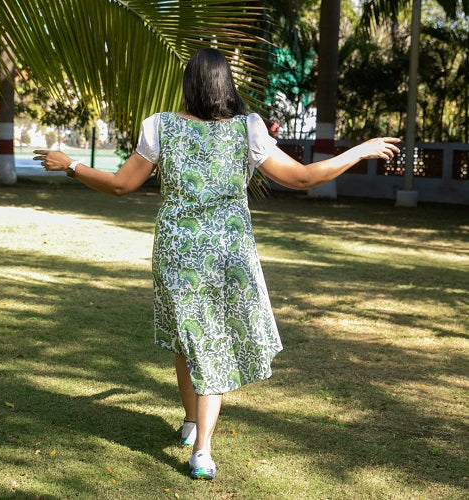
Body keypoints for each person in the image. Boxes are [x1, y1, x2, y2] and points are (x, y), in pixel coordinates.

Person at [34, 48, 400, 480]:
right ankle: (199, 440)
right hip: (228, 256)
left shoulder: (161, 126)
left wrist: (72, 164)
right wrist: (359, 150)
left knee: (196, 338)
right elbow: (303, 178)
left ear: (189, 84)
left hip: (178, 253)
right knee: (199, 340)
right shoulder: (247, 129)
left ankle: (198, 437)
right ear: (227, 85)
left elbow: (120, 186)